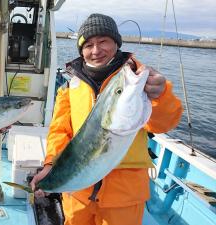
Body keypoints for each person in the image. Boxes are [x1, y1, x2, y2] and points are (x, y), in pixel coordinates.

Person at [30, 13, 183, 225]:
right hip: (78, 192)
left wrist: (161, 95)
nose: (96, 50)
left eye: (103, 41)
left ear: (116, 43)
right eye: (88, 44)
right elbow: (60, 131)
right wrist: (50, 166)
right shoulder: (70, 86)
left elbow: (164, 123)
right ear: (81, 51)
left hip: (123, 196)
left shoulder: (135, 79)